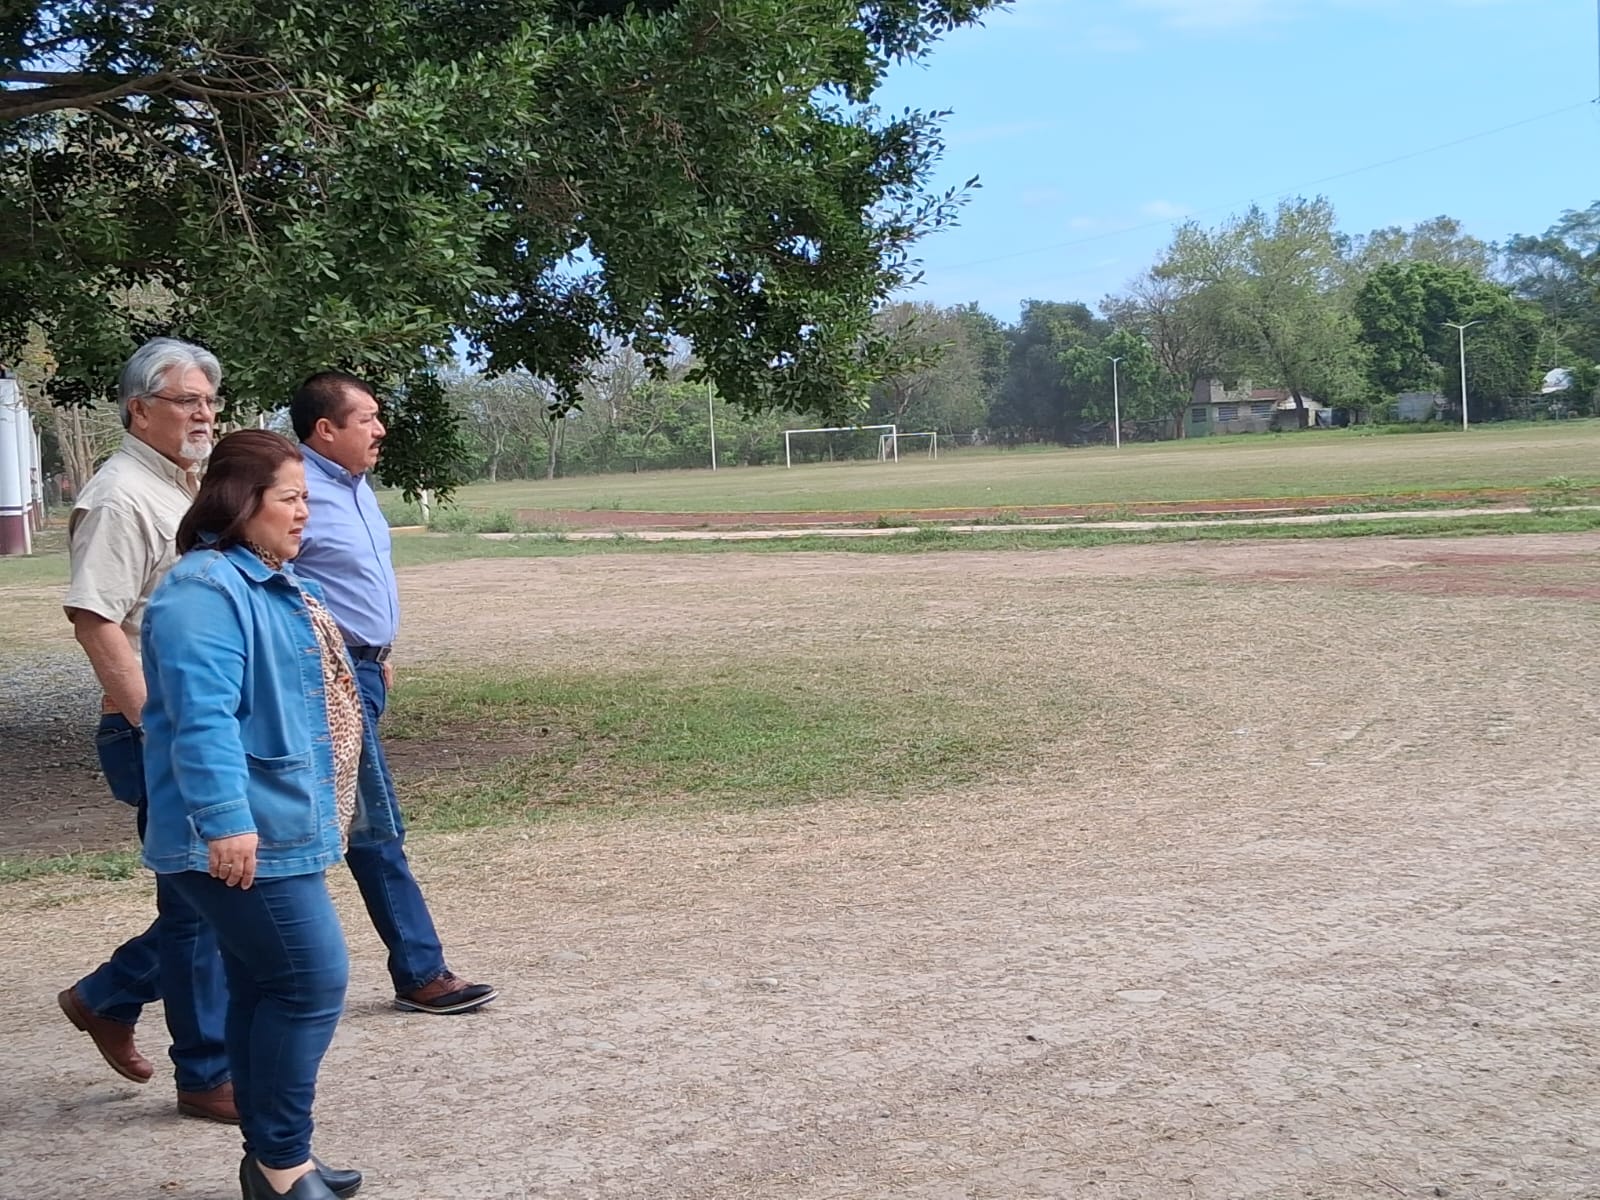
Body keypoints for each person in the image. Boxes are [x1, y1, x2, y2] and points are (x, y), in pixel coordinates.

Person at [141, 430, 368, 1200]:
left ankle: (276, 1161)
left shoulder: (266, 580)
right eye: (290, 499)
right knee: (310, 981)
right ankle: (280, 1165)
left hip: (278, 820)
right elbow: (200, 716)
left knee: (261, 986)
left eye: (307, 498)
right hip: (241, 830)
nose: (305, 513)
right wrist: (225, 819)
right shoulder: (204, 590)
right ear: (243, 503)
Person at [57, 337, 233, 1122]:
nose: (204, 414)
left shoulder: (182, 486)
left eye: (208, 401)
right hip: (156, 732)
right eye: (187, 401)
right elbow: (96, 621)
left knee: (207, 898)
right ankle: (205, 1072)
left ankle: (108, 995)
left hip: (198, 726)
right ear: (139, 409)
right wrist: (158, 730)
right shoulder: (121, 495)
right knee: (203, 903)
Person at [290, 371, 497, 1015]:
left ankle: (119, 989)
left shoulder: (356, 487)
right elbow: (272, 583)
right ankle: (420, 971)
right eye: (367, 419)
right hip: (325, 680)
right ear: (326, 429)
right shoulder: (292, 489)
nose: (380, 430)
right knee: (368, 825)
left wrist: (377, 656)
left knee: (318, 830)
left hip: (364, 672)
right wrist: (336, 661)